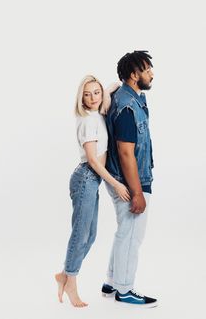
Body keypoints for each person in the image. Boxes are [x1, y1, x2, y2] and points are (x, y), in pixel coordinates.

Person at [55, 75, 130, 308]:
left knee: (91, 235)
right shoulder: (88, 120)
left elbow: (116, 84)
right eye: (87, 94)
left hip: (91, 181)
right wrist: (116, 184)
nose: (93, 98)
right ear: (81, 98)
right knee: (80, 235)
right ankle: (70, 282)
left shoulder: (97, 113)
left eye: (96, 92)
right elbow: (94, 161)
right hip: (86, 178)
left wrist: (103, 91)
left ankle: (64, 275)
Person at [101, 51, 158, 308]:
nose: (151, 74)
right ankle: (124, 289)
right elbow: (126, 152)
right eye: (147, 70)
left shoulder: (127, 97)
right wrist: (137, 192)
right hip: (130, 181)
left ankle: (112, 281)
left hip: (125, 178)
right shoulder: (126, 105)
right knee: (132, 234)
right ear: (134, 75)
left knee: (125, 231)